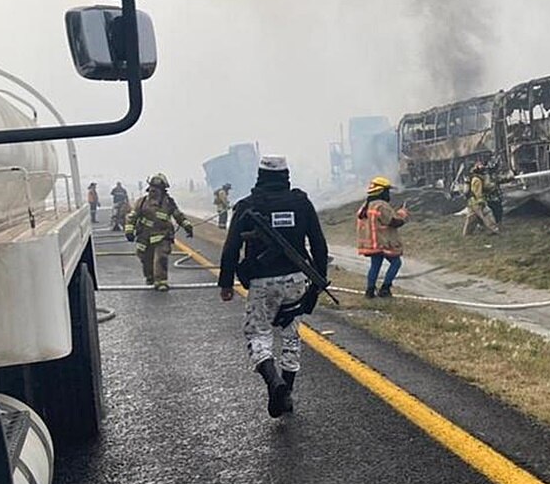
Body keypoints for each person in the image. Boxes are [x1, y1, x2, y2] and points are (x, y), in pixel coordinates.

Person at [218, 155, 328, 418]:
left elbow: (231, 247)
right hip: (296, 280)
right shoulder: (301, 203)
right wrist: (318, 280)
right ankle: (286, 393)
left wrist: (226, 282)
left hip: (261, 282)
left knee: (257, 334)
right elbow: (319, 244)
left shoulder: (247, 206)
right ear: (286, 176)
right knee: (291, 335)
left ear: (260, 176)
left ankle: (273, 382)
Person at [125, 173, 193, 291]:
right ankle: (150, 276)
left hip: (163, 236)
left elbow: (178, 215)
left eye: (156, 189)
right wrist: (129, 231)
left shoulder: (168, 203)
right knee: (145, 258)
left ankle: (161, 281)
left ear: (162, 190)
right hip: (144, 236)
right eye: (151, 189)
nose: (153, 191)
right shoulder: (141, 202)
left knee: (161, 257)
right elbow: (132, 217)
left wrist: (187, 226)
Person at [355, 176, 409, 298]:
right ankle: (385, 288)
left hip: (371, 244)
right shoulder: (381, 205)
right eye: (387, 191)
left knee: (375, 266)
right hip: (383, 243)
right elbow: (393, 222)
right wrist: (403, 214)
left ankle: (369, 291)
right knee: (396, 263)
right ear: (381, 191)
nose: (388, 194)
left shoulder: (366, 205)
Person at [462, 160, 499, 236]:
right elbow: (477, 192)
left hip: (472, 202)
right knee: (487, 214)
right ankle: (494, 230)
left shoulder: (474, 178)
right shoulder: (477, 180)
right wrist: (481, 202)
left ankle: (467, 233)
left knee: (471, 218)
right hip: (477, 202)